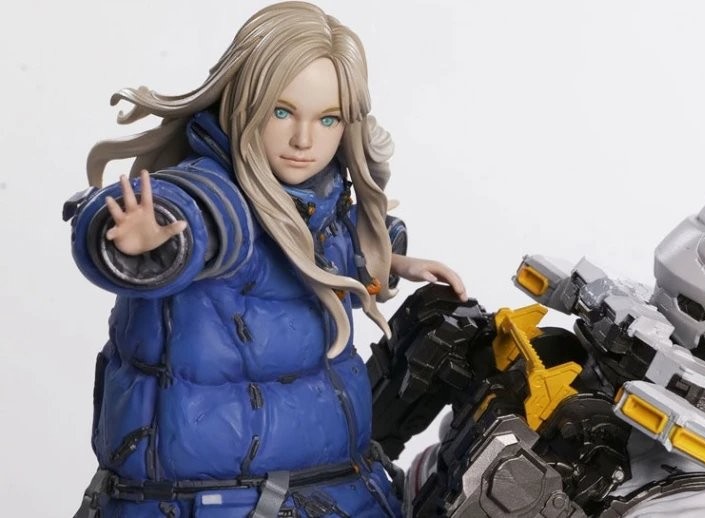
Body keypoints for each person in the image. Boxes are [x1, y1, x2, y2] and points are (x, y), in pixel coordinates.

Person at [66, 2, 465, 516]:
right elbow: (191, 219)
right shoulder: (216, 194)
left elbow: (331, 242)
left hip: (333, 483)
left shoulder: (321, 198)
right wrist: (145, 241)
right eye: (283, 112)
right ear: (244, 100)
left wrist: (391, 260)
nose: (304, 140)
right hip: (221, 500)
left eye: (327, 119)